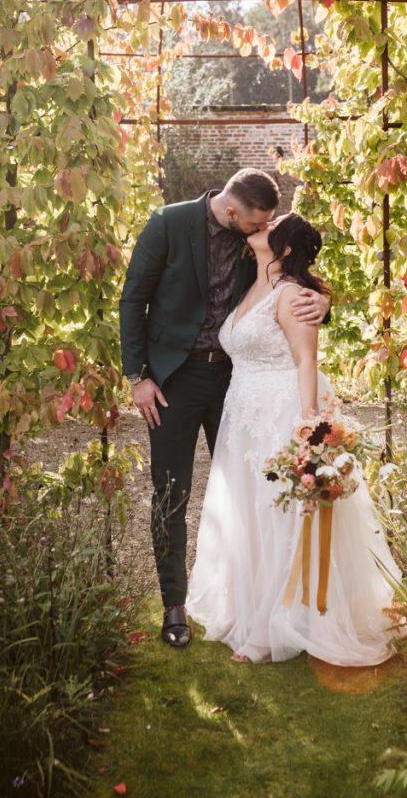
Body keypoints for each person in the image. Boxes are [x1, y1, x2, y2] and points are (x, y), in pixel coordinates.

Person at [119, 169, 330, 649]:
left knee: (248, 489)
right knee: (170, 491)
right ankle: (174, 606)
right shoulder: (167, 224)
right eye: (257, 225)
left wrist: (320, 301)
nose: (264, 233)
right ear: (233, 212)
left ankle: (258, 601)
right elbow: (133, 299)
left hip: (236, 379)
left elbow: (285, 281)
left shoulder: (254, 237)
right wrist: (138, 377)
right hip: (173, 380)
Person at [187, 213, 402, 665]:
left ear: (283, 250)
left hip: (280, 409)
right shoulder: (253, 280)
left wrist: (310, 433)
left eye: (270, 227)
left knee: (279, 514)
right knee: (250, 512)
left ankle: (270, 628)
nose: (259, 227)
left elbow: (307, 362)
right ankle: (250, 609)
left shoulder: (292, 297)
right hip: (243, 412)